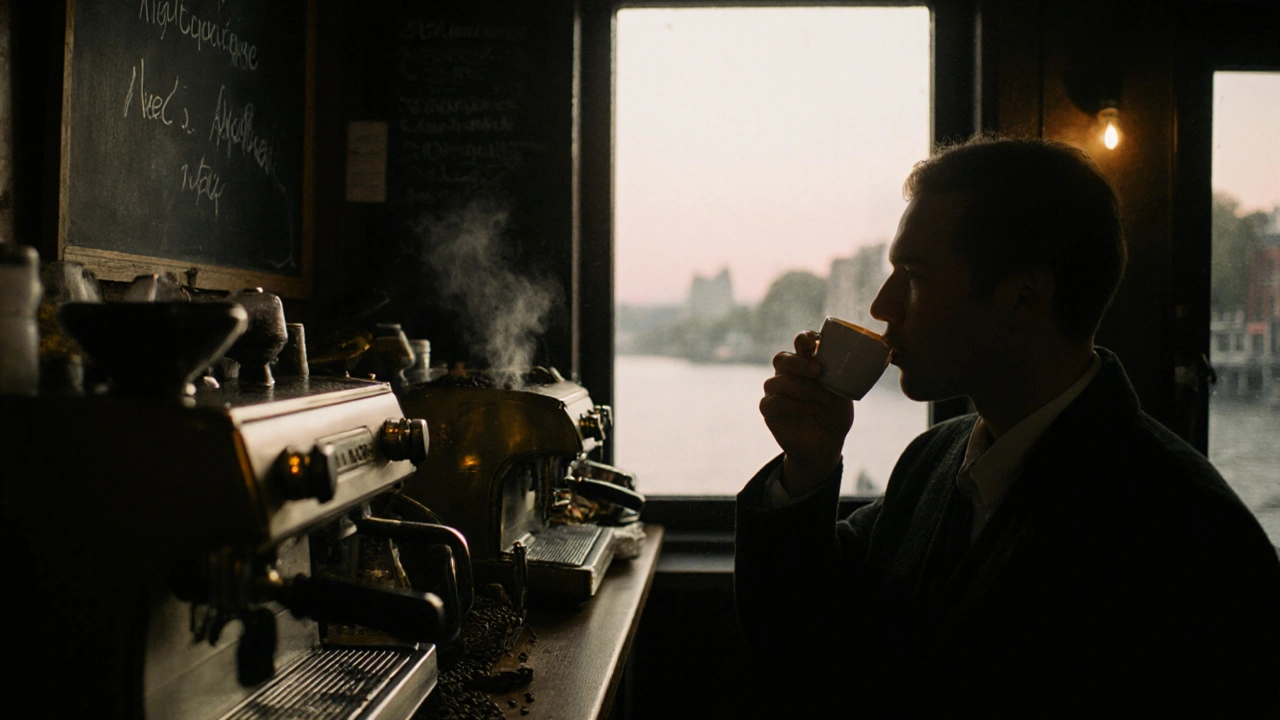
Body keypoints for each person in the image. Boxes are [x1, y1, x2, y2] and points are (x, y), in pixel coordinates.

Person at [734, 135, 1280, 717]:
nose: (882, 305)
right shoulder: (930, 461)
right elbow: (809, 641)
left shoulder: (1192, 535)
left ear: (1023, 297)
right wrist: (808, 470)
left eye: (913, 275)